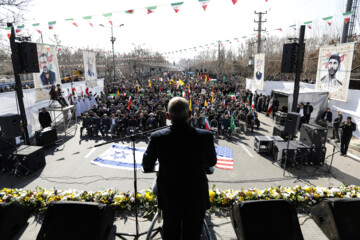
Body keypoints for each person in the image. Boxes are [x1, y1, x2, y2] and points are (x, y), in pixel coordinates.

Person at [142, 97, 217, 240]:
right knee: (193, 232)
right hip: (196, 194)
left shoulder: (157, 137)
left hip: (170, 195)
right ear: (190, 114)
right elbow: (212, 161)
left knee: (171, 230)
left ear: (168, 116)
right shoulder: (205, 136)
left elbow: (146, 164)